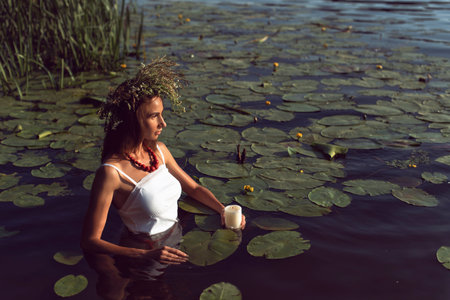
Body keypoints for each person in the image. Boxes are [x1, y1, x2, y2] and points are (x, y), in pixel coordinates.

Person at [80, 58, 246, 290]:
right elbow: (90, 242)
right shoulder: (112, 173)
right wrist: (145, 256)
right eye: (153, 116)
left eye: (162, 114)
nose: (163, 123)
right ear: (132, 121)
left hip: (175, 240)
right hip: (143, 255)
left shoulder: (159, 150)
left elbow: (193, 188)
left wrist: (222, 209)